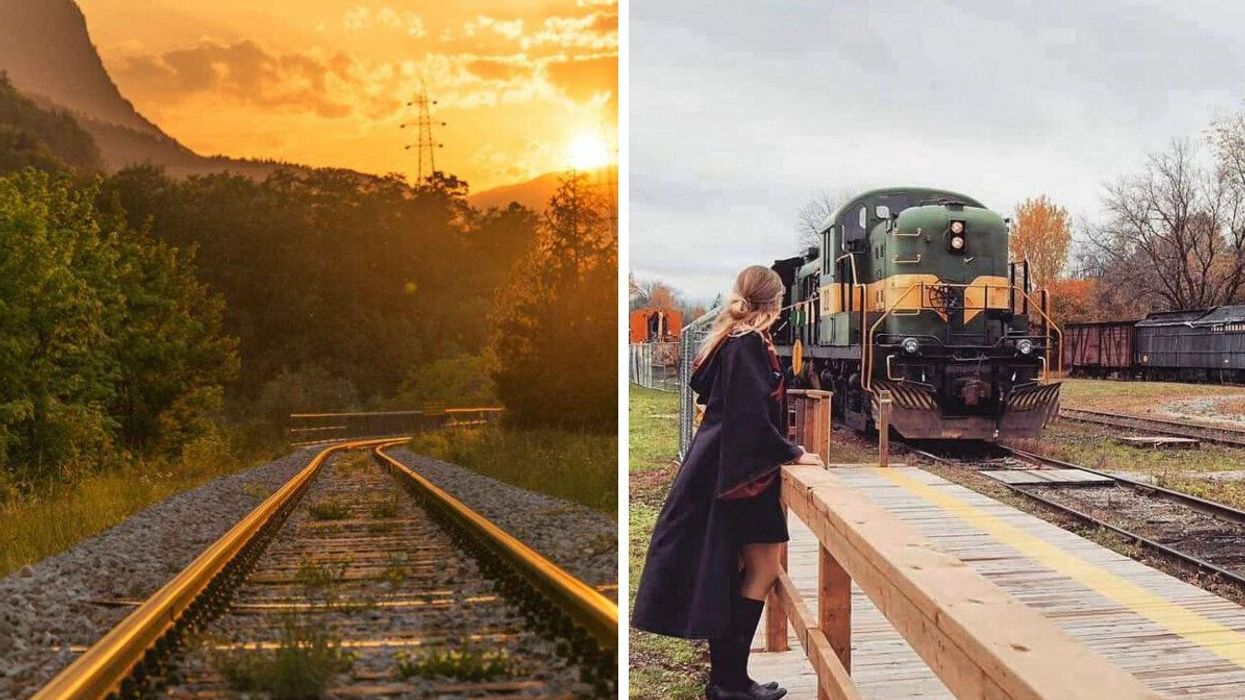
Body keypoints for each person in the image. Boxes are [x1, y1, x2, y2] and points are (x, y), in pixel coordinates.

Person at [632, 265, 824, 700]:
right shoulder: (749, 346)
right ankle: (729, 682)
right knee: (762, 568)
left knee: (742, 568)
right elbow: (750, 418)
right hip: (741, 475)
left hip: (726, 469)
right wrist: (793, 453)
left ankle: (730, 680)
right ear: (775, 303)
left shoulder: (730, 340)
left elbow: (725, 404)